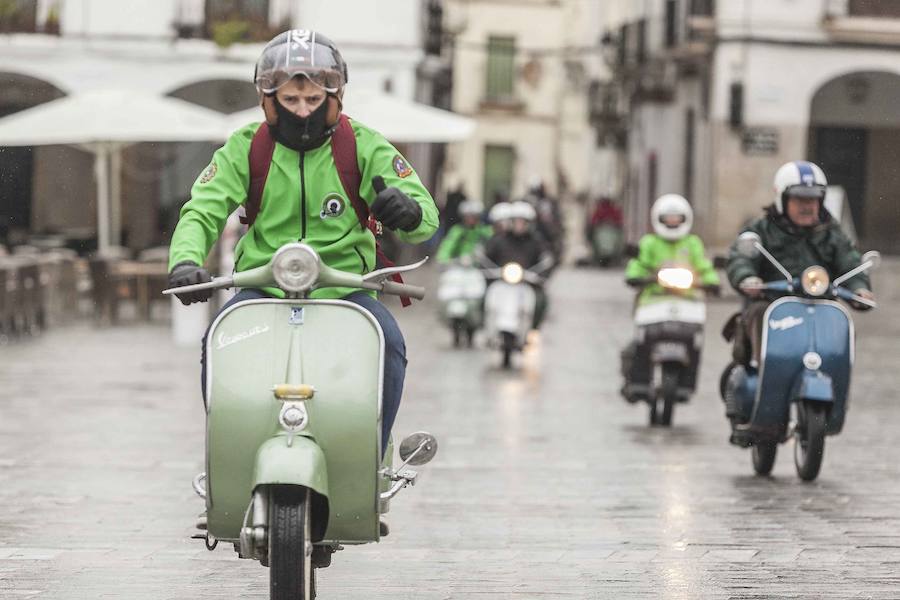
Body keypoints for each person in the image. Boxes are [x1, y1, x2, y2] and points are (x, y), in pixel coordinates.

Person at [167, 29, 438, 458]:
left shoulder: (364, 145)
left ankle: (372, 457)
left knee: (389, 342)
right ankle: (225, 461)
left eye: (313, 101)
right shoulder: (245, 148)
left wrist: (407, 211)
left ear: (335, 99)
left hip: (348, 289)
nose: (303, 112)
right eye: (290, 102)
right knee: (219, 344)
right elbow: (201, 210)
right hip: (262, 287)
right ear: (268, 102)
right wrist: (184, 261)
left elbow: (425, 219)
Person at [726, 160, 874, 366]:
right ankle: (764, 370)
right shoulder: (761, 230)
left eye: (813, 200)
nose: (807, 206)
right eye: (799, 199)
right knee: (759, 312)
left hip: (821, 304)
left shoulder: (832, 233)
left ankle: (835, 374)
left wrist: (859, 288)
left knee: (841, 323)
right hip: (773, 303)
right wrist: (747, 277)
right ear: (782, 199)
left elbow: (849, 260)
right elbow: (741, 257)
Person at [620, 194, 720, 402]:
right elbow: (638, 263)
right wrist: (636, 276)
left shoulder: (692, 243)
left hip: (687, 300)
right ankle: (638, 380)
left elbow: (703, 266)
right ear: (659, 219)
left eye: (677, 218)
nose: (672, 222)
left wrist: (712, 282)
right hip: (653, 298)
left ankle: (687, 383)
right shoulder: (650, 243)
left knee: (695, 341)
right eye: (668, 218)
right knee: (643, 340)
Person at [482, 200, 554, 328]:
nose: (519, 225)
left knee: (541, 301)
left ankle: (533, 329)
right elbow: (487, 257)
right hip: (501, 279)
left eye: (523, 222)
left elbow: (545, 259)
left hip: (527, 281)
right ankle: (484, 326)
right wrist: (485, 268)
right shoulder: (499, 240)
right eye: (516, 221)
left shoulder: (536, 241)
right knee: (481, 296)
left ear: (529, 223)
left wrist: (542, 273)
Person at [436, 200, 492, 264]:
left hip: (480, 268)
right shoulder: (457, 230)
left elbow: (494, 241)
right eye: (467, 216)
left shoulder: (484, 230)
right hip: (458, 266)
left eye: (474, 216)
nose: (470, 219)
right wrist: (443, 259)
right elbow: (448, 245)